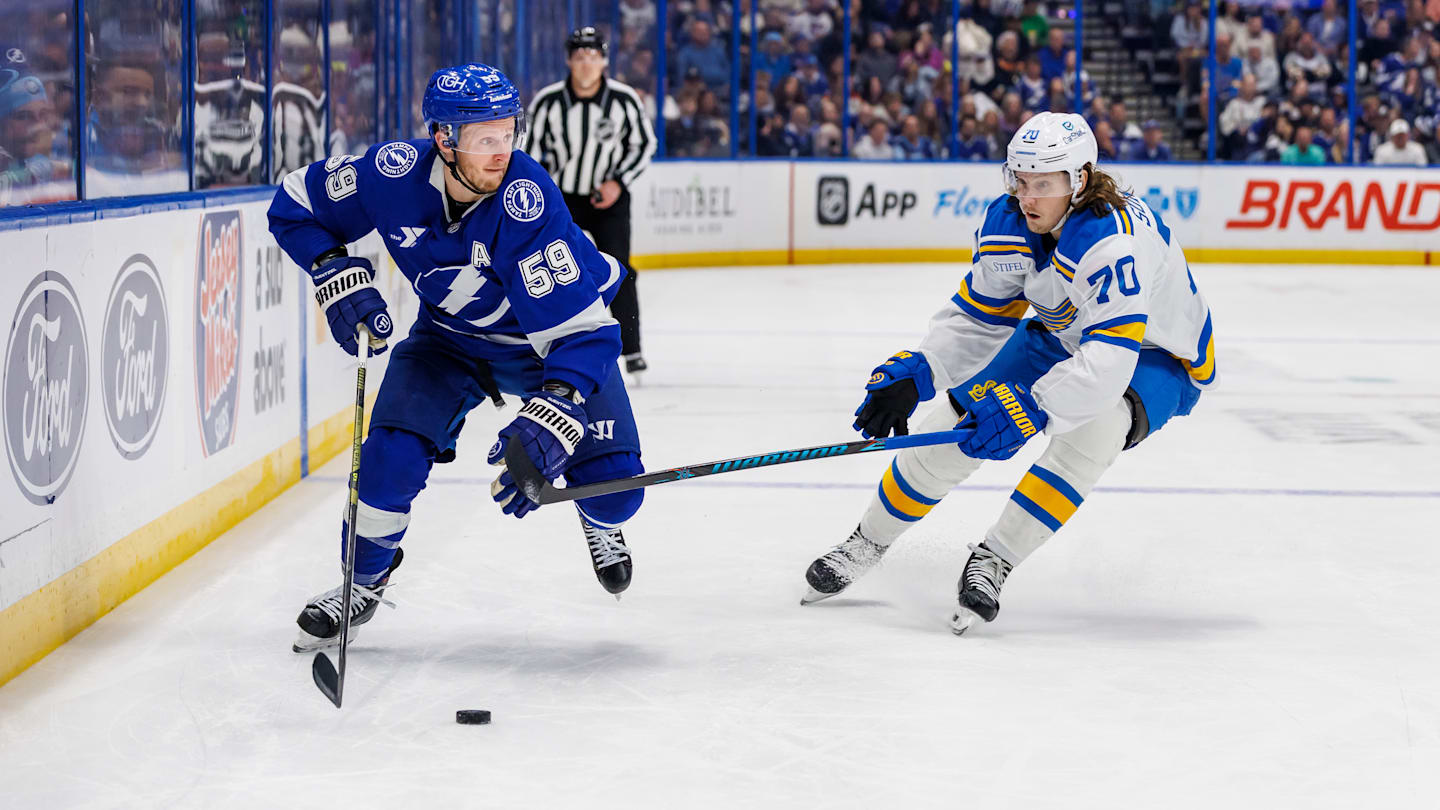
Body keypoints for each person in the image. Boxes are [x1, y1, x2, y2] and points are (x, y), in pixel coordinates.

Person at [269, 63, 647, 652]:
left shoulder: (526, 201)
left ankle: (597, 520)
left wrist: (559, 406)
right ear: (444, 139)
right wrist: (330, 268)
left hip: (544, 344)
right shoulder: (389, 173)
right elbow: (293, 203)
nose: (503, 151)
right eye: (485, 138)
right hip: (447, 341)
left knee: (617, 491)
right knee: (387, 461)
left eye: (508, 133)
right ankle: (360, 584)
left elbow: (587, 333)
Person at [801, 112, 1216, 635]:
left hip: (1156, 355)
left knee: (1097, 429)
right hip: (1061, 332)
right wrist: (922, 370)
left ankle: (995, 558)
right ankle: (867, 541)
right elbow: (978, 320)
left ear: (1080, 180)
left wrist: (1035, 407)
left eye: (1043, 184)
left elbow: (1109, 363)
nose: (1027, 197)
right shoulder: (1008, 224)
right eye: (1020, 180)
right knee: (950, 421)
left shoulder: (1111, 243)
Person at [527, 27, 657, 376]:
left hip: (609, 197)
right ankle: (550, 345)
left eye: (593, 56)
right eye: (579, 56)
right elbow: (532, 155)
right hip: (563, 198)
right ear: (569, 60)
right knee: (551, 269)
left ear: (604, 60)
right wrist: (549, 193)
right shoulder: (548, 102)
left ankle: (632, 349)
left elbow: (643, 145)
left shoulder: (624, 99)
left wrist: (618, 181)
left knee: (620, 270)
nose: (586, 63)